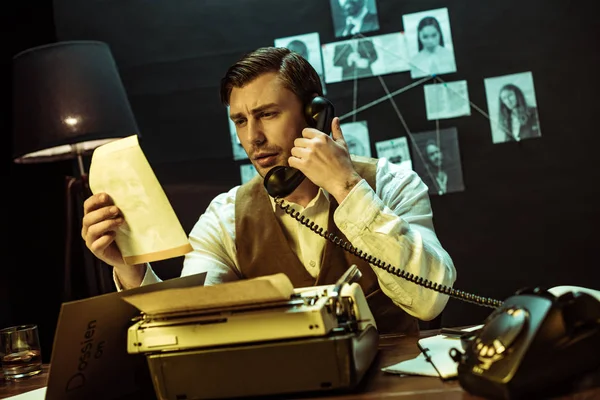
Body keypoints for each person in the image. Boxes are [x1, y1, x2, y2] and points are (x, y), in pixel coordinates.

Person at [81, 47, 456, 334]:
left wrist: (347, 188)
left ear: (314, 115)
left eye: (268, 114)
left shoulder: (392, 184)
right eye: (240, 121)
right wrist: (131, 268)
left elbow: (430, 302)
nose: (252, 138)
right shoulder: (225, 215)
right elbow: (191, 324)